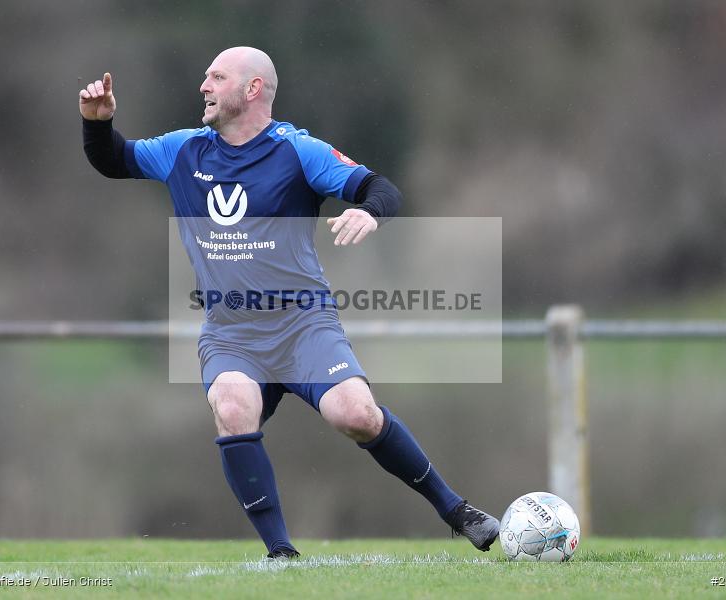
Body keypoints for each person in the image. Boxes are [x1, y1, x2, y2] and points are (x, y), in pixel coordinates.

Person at [79, 46, 499, 558]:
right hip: (231, 331)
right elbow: (113, 161)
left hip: (303, 324)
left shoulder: (297, 151)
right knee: (232, 408)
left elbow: (379, 187)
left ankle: (456, 511)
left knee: (356, 414)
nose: (203, 86)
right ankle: (281, 554)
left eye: (217, 77)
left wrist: (370, 214)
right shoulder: (182, 150)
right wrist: (97, 124)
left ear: (252, 89)